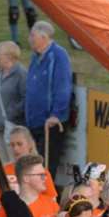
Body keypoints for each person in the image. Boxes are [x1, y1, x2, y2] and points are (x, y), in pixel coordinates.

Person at [24, 21, 71, 175]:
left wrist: (56, 114)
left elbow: (62, 87)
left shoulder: (58, 55)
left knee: (45, 167)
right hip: (34, 121)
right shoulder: (35, 57)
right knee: (33, 165)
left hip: (49, 122)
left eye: (32, 35)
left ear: (44, 37)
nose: (29, 38)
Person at [0, 41, 27, 160]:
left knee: (14, 160)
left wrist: (10, 115)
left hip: (12, 127)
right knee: (2, 162)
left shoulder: (21, 74)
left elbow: (25, 98)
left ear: (9, 56)